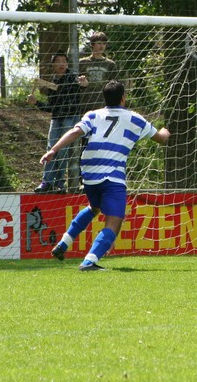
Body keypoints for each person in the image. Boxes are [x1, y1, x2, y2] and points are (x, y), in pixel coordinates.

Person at [45, 80, 170, 270]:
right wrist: (165, 131)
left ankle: (63, 243)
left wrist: (53, 150)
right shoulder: (133, 118)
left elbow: (75, 131)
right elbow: (160, 139)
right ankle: (89, 261)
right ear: (123, 98)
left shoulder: (93, 114)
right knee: (114, 220)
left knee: (94, 207)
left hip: (89, 172)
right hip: (111, 174)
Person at [28, 51, 86, 193]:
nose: (61, 64)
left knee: (62, 150)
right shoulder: (52, 82)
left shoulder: (73, 78)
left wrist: (84, 83)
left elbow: (82, 84)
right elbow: (50, 107)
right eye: (58, 61)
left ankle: (59, 184)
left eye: (64, 61)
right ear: (53, 64)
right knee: (51, 148)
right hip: (56, 118)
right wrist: (36, 103)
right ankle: (47, 182)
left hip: (70, 117)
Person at [78, 31, 119, 114]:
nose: (102, 46)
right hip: (85, 103)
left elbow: (115, 84)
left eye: (104, 43)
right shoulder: (82, 62)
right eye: (99, 43)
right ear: (92, 44)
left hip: (103, 103)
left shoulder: (110, 64)